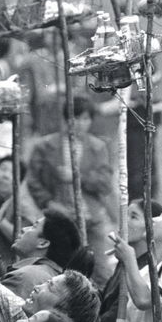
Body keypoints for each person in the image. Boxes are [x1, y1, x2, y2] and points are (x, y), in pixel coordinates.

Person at [26, 96, 114, 286]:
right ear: (66, 119)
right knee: (60, 269)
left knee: (100, 270)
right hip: (60, 218)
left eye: (86, 119)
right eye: (76, 118)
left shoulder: (98, 147)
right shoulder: (45, 146)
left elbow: (105, 183)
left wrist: (77, 177)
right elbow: (33, 180)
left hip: (91, 218)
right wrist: (49, 203)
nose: (81, 124)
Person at [1, 208, 83, 300]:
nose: (23, 229)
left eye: (33, 227)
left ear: (43, 243)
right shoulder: (56, 280)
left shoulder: (24, 277)